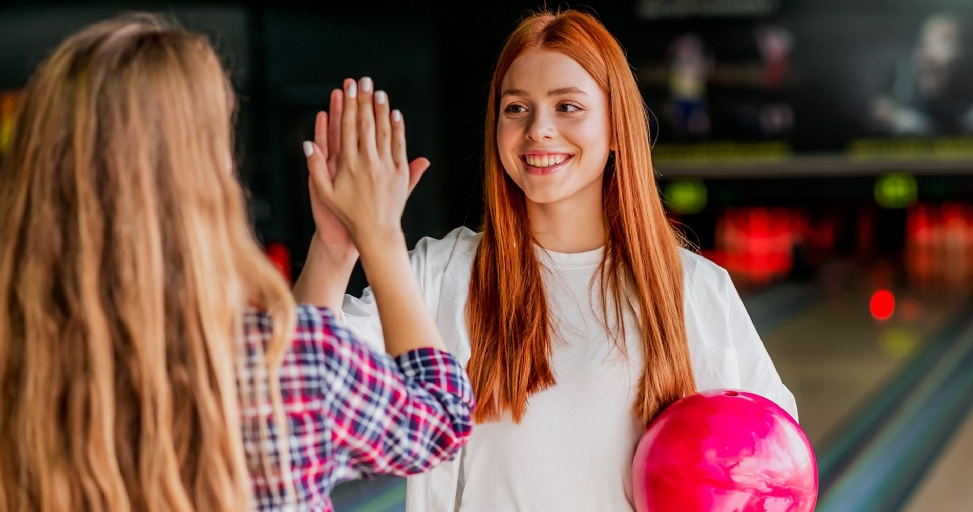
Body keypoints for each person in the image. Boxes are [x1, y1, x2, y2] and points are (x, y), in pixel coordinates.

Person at [295, 9, 796, 512]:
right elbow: (296, 386)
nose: (539, 129)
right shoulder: (441, 273)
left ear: (617, 126)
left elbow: (776, 470)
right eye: (517, 108)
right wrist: (334, 246)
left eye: (568, 106)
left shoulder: (694, 289)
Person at [0, 15, 473, 511]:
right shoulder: (286, 365)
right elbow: (440, 420)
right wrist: (381, 238)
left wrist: (333, 253)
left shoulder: (24, 369)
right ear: (197, 175)